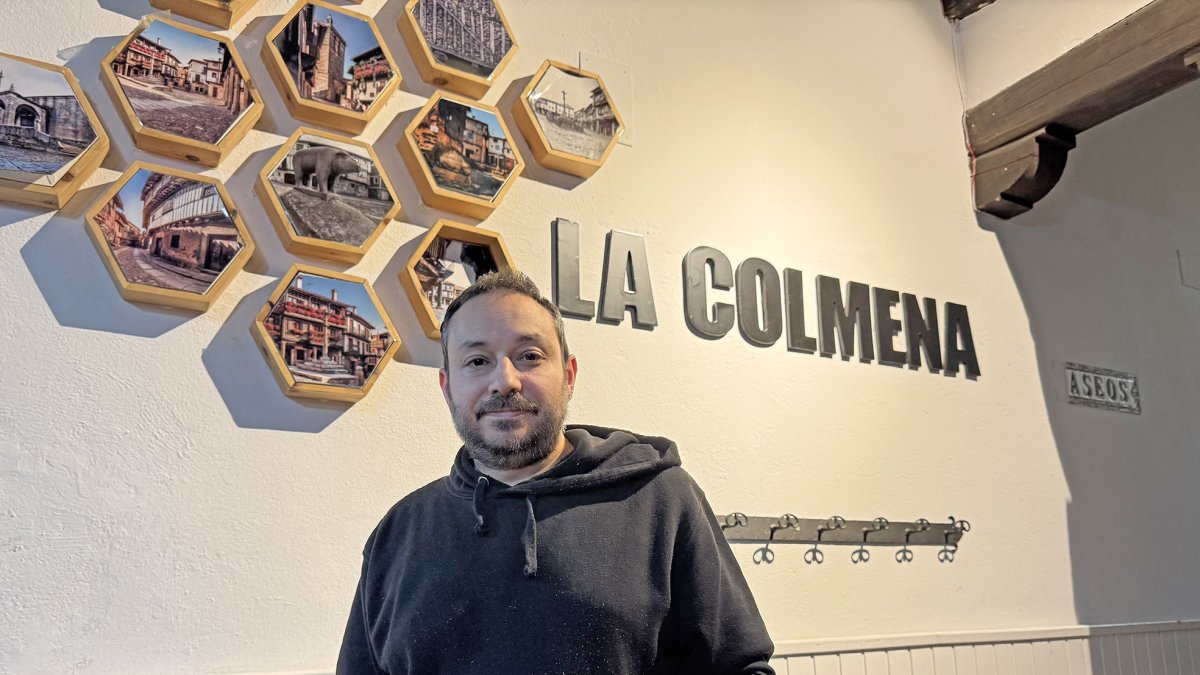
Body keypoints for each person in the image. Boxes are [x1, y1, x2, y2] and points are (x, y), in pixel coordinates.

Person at [336, 270, 775, 674]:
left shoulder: (662, 499)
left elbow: (738, 668)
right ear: (447, 388)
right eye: (476, 361)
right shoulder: (397, 534)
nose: (504, 381)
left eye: (529, 356)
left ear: (568, 374)